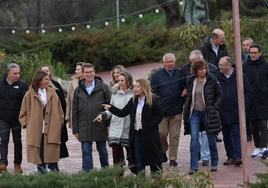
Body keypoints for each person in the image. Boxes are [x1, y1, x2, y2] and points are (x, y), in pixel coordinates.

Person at [101, 79, 163, 174]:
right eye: (135, 87)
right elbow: (123, 112)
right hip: (136, 134)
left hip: (150, 134)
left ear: (144, 87)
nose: (135, 89)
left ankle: (156, 180)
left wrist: (150, 125)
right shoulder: (134, 100)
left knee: (153, 158)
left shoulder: (153, 99)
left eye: (138, 87)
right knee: (138, 158)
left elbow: (159, 116)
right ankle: (141, 180)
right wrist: (111, 108)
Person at [19, 70, 64, 173]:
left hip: (51, 127)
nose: (48, 81)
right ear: (39, 80)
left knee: (51, 153)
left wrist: (59, 123)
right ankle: (41, 175)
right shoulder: (29, 94)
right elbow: (23, 112)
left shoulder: (53, 92)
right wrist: (27, 124)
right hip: (36, 129)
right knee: (39, 153)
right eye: (46, 79)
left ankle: (54, 175)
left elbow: (60, 110)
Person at [183, 59, 222, 175]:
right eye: (200, 69)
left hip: (208, 112)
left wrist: (214, 107)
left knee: (211, 139)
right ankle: (193, 166)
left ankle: (214, 163)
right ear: (195, 70)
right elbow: (188, 97)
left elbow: (219, 94)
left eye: (204, 68)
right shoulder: (191, 80)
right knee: (194, 138)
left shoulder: (211, 79)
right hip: (194, 113)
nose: (203, 71)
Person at [72, 63, 111, 171]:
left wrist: (108, 125)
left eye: (91, 72)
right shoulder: (78, 90)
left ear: (94, 72)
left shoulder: (104, 88)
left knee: (103, 151)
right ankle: (88, 176)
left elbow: (110, 108)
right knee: (86, 152)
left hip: (100, 125)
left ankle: (106, 173)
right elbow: (74, 111)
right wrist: (75, 130)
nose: (89, 74)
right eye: (87, 72)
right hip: (84, 126)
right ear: (83, 74)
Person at [150, 53, 185, 166]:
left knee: (174, 136)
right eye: (168, 62)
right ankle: (162, 150)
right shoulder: (157, 76)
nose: (170, 64)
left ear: (175, 62)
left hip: (176, 110)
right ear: (164, 63)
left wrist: (185, 90)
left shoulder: (180, 73)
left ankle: (173, 158)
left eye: (172, 61)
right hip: (162, 111)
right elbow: (152, 93)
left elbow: (186, 85)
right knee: (161, 133)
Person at [217, 56, 251, 166]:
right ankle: (230, 156)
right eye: (219, 65)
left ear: (229, 65)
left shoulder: (240, 76)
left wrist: (243, 105)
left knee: (236, 134)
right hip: (222, 111)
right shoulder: (217, 77)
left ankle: (237, 156)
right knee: (226, 135)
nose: (220, 67)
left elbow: (248, 92)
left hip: (236, 111)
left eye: (222, 65)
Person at [95, 72, 133, 166]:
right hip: (115, 129)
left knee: (132, 158)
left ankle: (136, 174)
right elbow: (111, 110)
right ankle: (119, 178)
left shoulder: (134, 94)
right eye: (118, 80)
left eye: (122, 80)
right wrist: (103, 115)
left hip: (129, 129)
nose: (119, 82)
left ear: (128, 81)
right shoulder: (115, 94)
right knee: (117, 159)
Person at [40, 65, 69, 170]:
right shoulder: (35, 87)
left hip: (54, 122)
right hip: (41, 124)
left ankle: (54, 170)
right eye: (43, 71)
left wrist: (61, 119)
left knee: (53, 147)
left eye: (47, 71)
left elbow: (62, 104)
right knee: (41, 147)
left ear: (50, 73)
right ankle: (41, 171)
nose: (45, 73)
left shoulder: (56, 85)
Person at [0, 63, 28, 173]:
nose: (17, 75)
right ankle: (3, 164)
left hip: (17, 119)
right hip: (3, 118)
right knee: (4, 140)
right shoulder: (0, 84)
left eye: (18, 73)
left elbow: (26, 102)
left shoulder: (22, 85)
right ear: (8, 73)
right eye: (15, 73)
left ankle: (17, 164)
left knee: (17, 141)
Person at [243, 44, 268, 157]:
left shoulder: (265, 66)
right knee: (253, 125)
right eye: (251, 53)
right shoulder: (245, 66)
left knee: (263, 124)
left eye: (255, 53)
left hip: (263, 100)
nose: (252, 55)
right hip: (250, 101)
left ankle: (264, 147)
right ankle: (258, 147)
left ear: (260, 53)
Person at [66, 62, 84, 128]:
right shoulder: (72, 83)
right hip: (75, 115)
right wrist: (68, 117)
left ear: (83, 70)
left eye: (78, 70)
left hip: (86, 115)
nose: (75, 71)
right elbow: (68, 101)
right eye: (76, 69)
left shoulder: (89, 82)